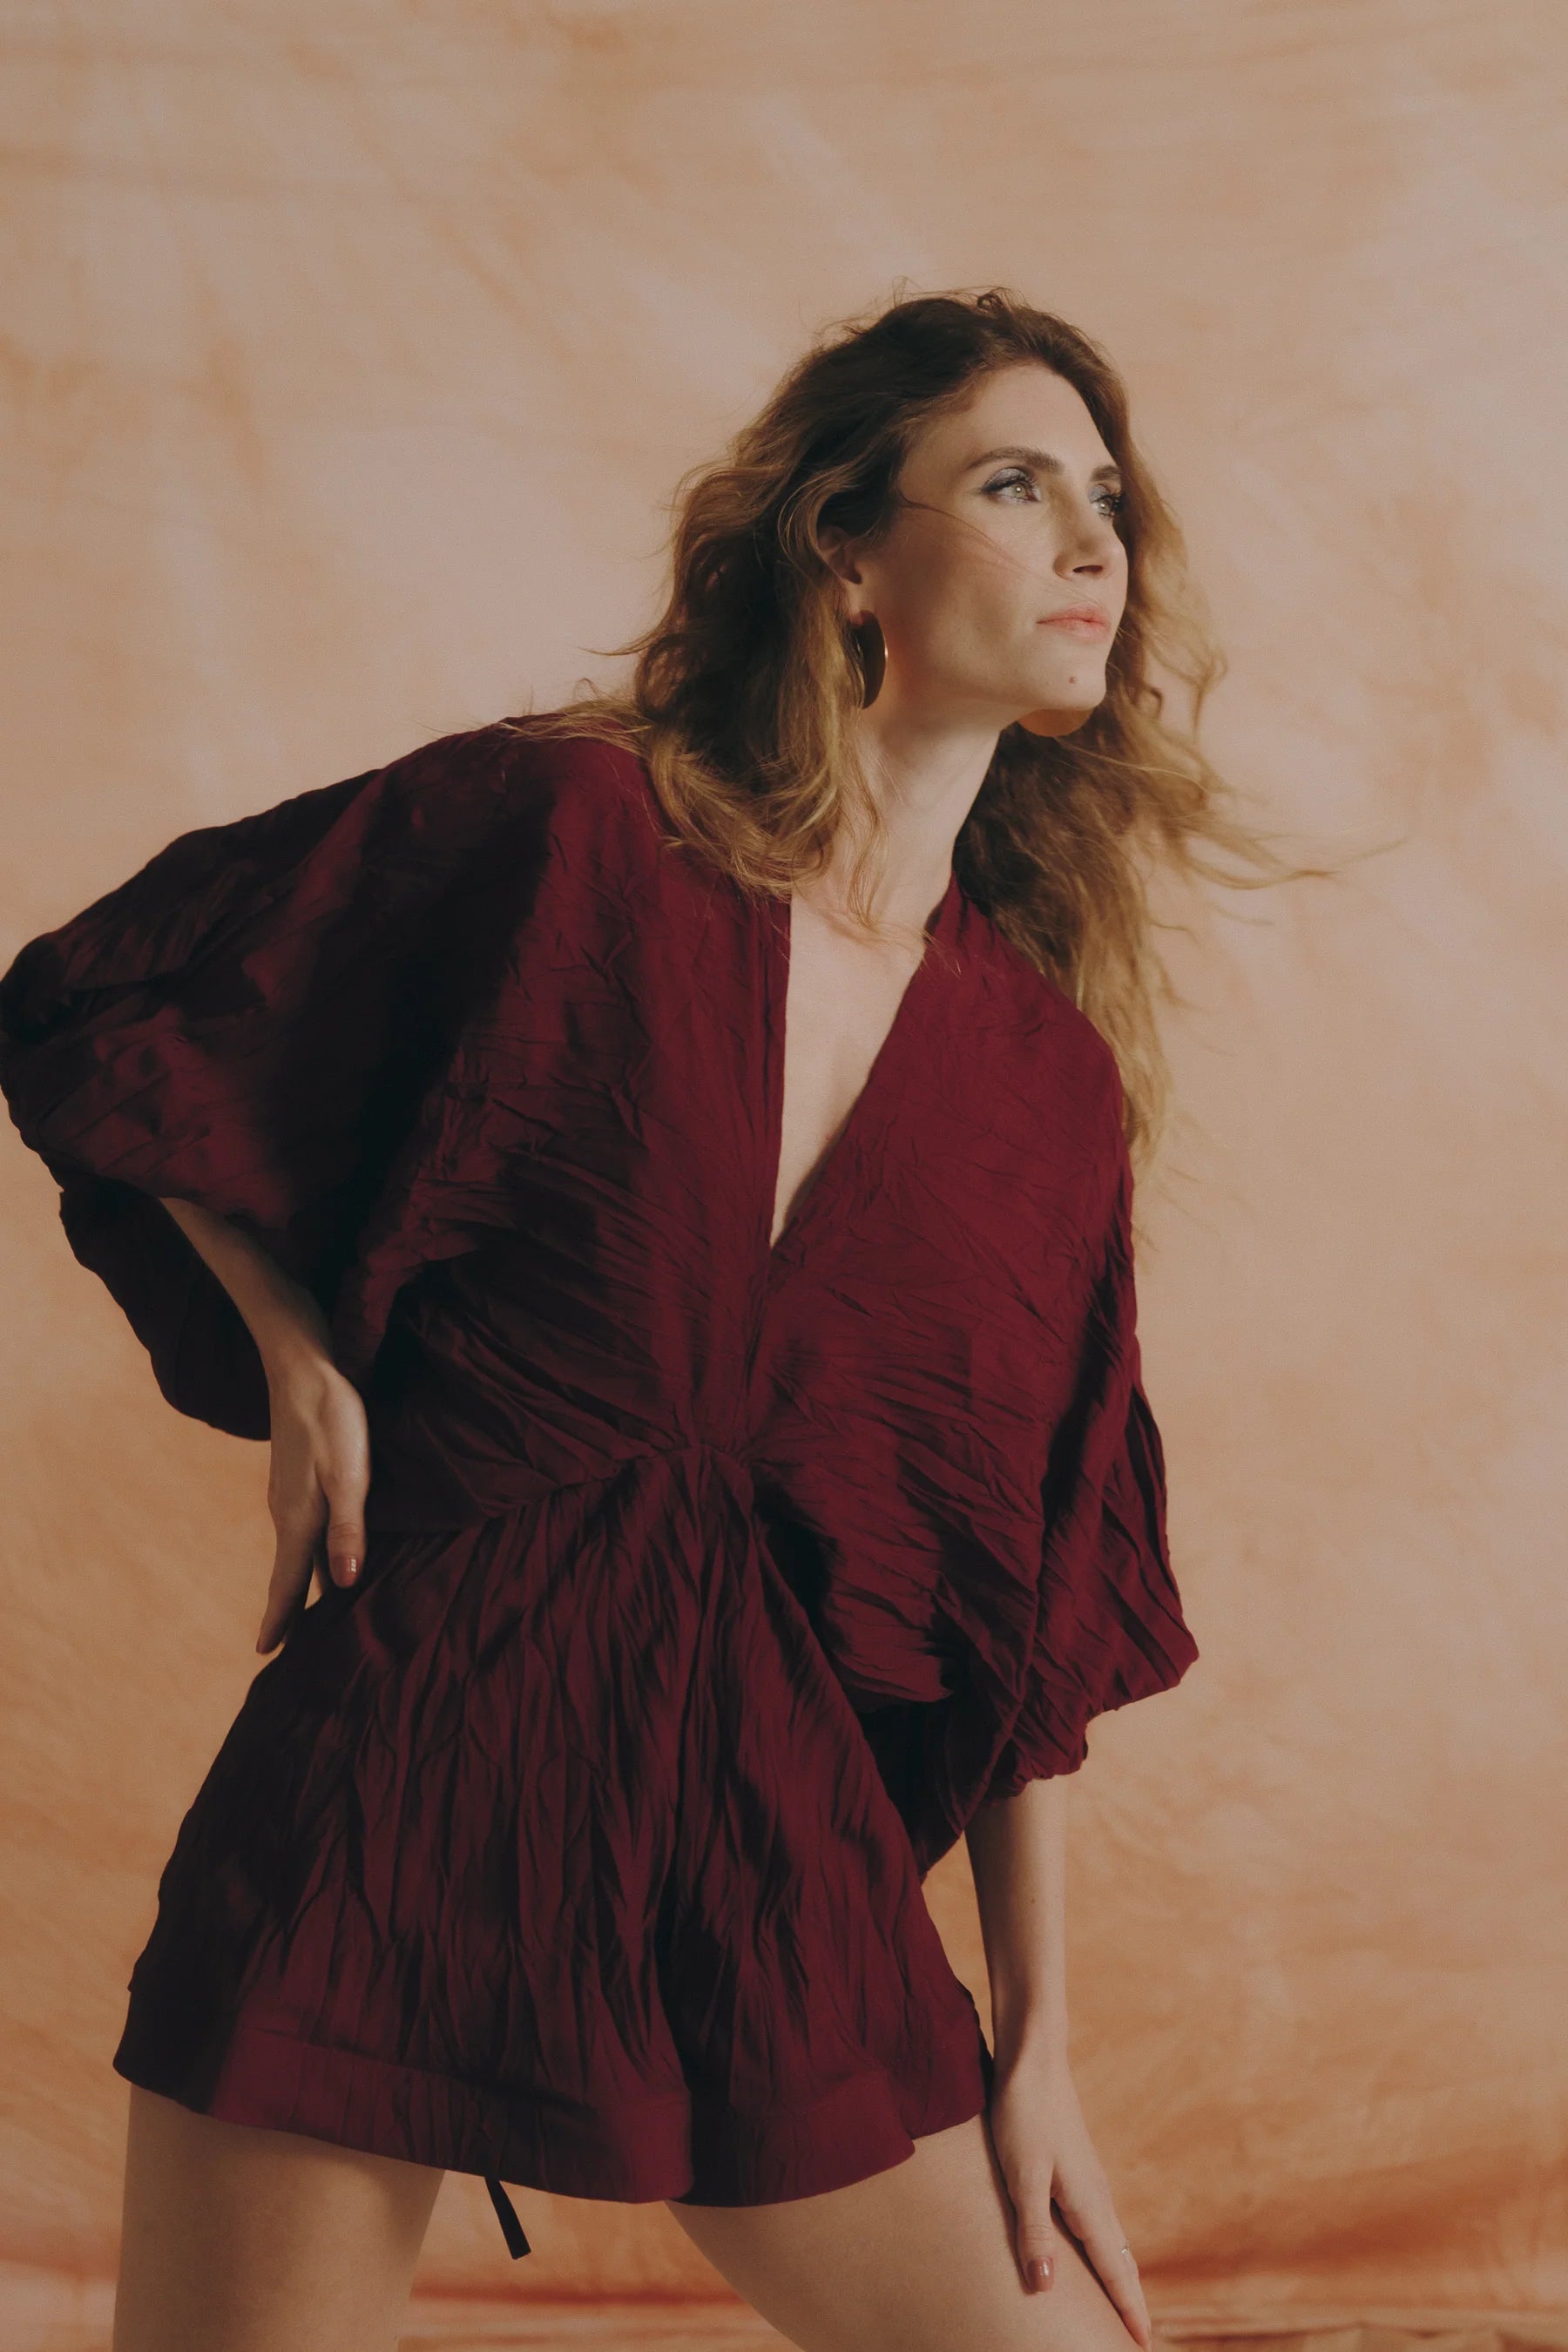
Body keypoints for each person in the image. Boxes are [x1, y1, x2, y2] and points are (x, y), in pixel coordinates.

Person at [0, 287, 1301, 2352]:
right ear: (846, 546)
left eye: (1107, 499)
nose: (1092, 543)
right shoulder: (582, 832)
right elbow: (121, 1007)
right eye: (1014, 484)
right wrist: (297, 1359)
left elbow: (1026, 1593)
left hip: (765, 1852)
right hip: (404, 1773)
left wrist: (1037, 2044)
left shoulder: (1039, 1083)